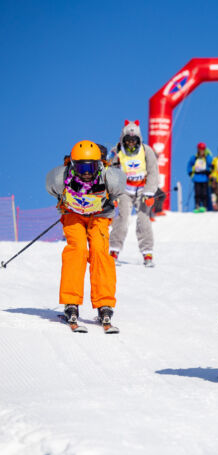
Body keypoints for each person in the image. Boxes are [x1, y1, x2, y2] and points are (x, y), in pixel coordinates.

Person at [46, 140, 126, 328]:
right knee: (78, 249)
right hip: (73, 215)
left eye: (91, 166)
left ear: (99, 164)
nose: (87, 172)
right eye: (82, 167)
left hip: (99, 217)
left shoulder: (111, 178)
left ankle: (104, 303)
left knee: (99, 251)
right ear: (73, 165)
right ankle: (71, 301)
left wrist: (110, 201)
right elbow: (51, 189)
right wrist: (62, 200)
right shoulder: (59, 178)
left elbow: (120, 192)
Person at [108, 120, 159, 267]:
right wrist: (113, 195)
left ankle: (147, 253)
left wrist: (150, 192)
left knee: (143, 220)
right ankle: (114, 250)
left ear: (139, 140)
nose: (131, 143)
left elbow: (153, 172)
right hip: (124, 191)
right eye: (128, 141)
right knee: (123, 219)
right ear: (123, 140)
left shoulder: (146, 151)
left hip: (142, 190)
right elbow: (109, 173)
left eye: (134, 140)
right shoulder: (116, 150)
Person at [188, 142, 213, 212]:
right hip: (196, 178)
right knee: (197, 193)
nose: (201, 151)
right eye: (200, 149)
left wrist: (209, 172)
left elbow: (211, 165)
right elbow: (189, 165)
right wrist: (190, 173)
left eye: (203, 149)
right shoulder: (194, 157)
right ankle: (197, 206)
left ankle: (204, 206)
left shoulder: (207, 157)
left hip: (204, 178)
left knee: (204, 193)